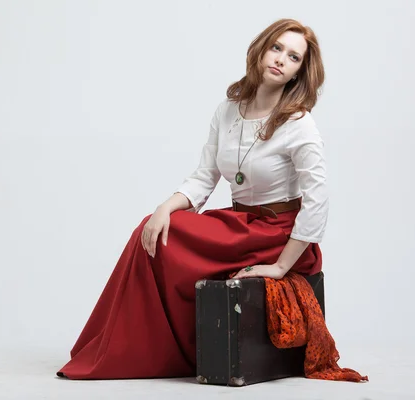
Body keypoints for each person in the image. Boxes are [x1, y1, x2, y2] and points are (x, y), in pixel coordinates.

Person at [57, 17, 328, 380]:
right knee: (153, 231)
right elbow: (204, 177)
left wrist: (281, 266)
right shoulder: (228, 109)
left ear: (299, 72)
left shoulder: (299, 123)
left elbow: (318, 200)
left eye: (293, 57)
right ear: (262, 49)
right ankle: (121, 349)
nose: (281, 59)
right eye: (277, 48)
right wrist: (164, 207)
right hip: (242, 223)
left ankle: (155, 353)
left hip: (277, 233)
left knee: (168, 241)